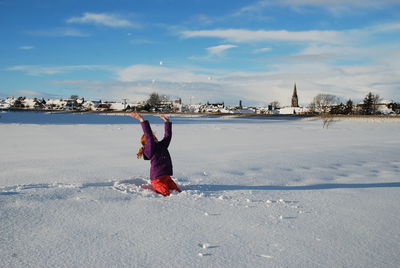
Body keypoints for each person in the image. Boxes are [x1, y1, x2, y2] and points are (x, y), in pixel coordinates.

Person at [130, 112, 182, 196]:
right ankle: (155, 188)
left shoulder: (162, 145)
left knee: (178, 191)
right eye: (151, 138)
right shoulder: (149, 150)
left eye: (154, 137)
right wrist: (142, 120)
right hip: (157, 179)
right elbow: (149, 136)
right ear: (146, 143)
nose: (153, 138)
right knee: (166, 193)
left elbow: (167, 136)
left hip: (166, 177)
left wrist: (167, 122)